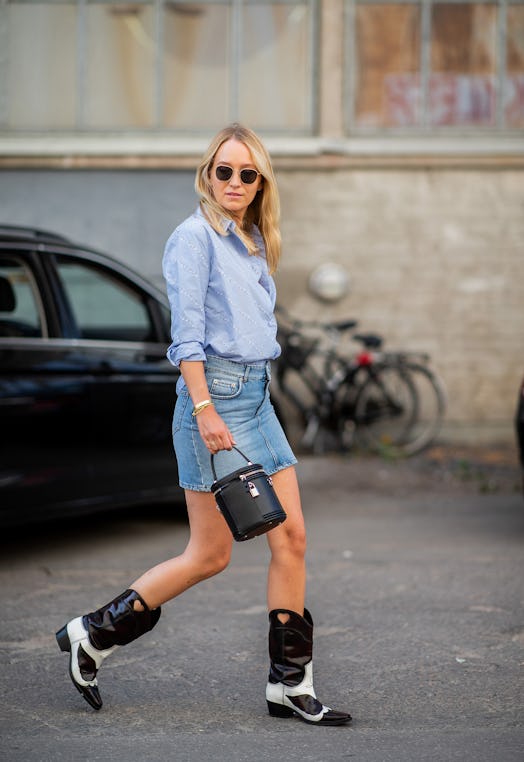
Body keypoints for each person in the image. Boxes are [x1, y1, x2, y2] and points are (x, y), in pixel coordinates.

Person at [55, 123, 351, 727]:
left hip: (258, 401)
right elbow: (185, 336)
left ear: (261, 181)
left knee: (291, 540)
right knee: (209, 555)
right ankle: (94, 633)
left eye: (248, 173)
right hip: (211, 402)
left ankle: (288, 685)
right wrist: (204, 410)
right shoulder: (193, 239)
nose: (236, 182)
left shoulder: (251, 239)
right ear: (207, 174)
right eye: (225, 171)